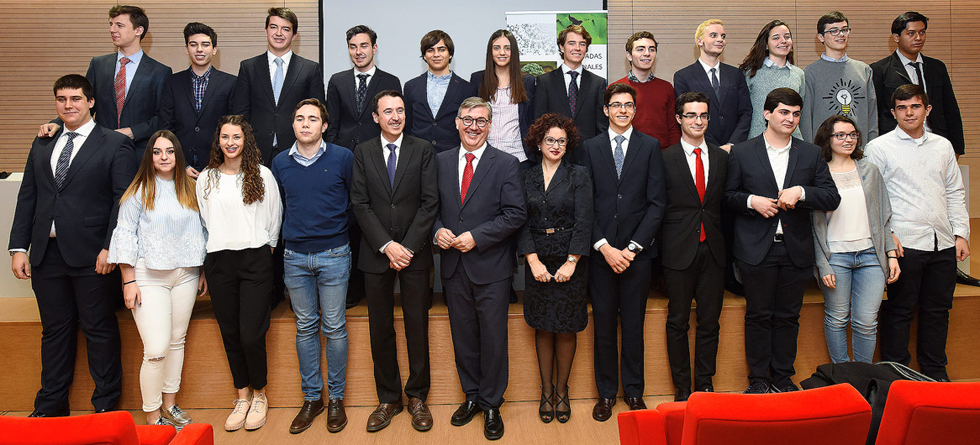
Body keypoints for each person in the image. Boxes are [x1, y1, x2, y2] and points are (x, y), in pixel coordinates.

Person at [9, 74, 137, 417]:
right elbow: (28, 196)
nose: (68, 105)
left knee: (99, 331)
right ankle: (50, 406)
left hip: (94, 255)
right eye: (62, 99)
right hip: (46, 255)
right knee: (54, 332)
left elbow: (123, 202)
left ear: (91, 102)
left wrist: (111, 247)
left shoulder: (114, 143)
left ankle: (105, 407)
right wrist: (18, 247)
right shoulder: (43, 142)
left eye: (76, 98)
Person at [724, 88, 840, 394]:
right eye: (784, 112)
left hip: (796, 249)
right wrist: (751, 201)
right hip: (755, 249)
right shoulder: (742, 152)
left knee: (789, 317)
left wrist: (801, 193)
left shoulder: (810, 153)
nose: (790, 118)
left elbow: (831, 197)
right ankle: (759, 380)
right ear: (767, 114)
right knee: (758, 316)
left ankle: (782, 378)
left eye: (796, 113)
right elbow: (727, 196)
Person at [433, 97, 526, 440]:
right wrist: (436, 230)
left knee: (493, 338)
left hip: (491, 267)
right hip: (453, 266)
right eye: (468, 120)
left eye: (481, 121)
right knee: (464, 337)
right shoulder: (440, 161)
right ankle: (471, 395)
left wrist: (477, 236)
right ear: (457, 123)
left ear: (490, 125)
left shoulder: (506, 163)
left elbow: (515, 214)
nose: (474, 127)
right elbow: (431, 207)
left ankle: (491, 404)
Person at [865, 84, 970, 381]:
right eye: (902, 107)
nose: (909, 113)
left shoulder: (943, 146)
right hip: (903, 243)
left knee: (938, 310)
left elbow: (954, 191)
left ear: (927, 109)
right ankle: (898, 376)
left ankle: (935, 373)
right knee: (900, 311)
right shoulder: (879, 148)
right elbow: (872, 199)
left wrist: (961, 234)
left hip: (943, 241)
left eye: (915, 106)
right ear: (893, 112)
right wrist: (888, 236)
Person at [351, 90, 439, 433]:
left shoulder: (423, 149)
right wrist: (387, 246)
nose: (395, 116)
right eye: (388, 111)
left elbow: (430, 203)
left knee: (417, 325)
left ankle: (417, 397)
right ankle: (388, 398)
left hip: (414, 254)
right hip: (376, 254)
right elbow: (360, 204)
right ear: (376, 117)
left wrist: (407, 247)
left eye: (400, 110)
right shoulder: (363, 152)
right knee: (381, 328)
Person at [107, 130, 207, 427]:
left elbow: (202, 231)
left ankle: (170, 405)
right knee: (156, 349)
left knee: (176, 341)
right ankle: (152, 415)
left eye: (170, 151)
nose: (164, 157)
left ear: (178, 155)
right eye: (157, 152)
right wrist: (128, 280)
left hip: (186, 275)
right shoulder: (137, 192)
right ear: (149, 157)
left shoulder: (192, 188)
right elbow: (124, 235)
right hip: (148, 277)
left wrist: (202, 271)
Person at [579, 83, 665, 421]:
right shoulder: (589, 147)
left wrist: (631, 249)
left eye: (628, 105)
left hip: (636, 256)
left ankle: (633, 391)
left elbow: (657, 204)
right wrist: (603, 247)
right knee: (603, 327)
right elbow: (584, 203)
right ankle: (605, 394)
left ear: (635, 110)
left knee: (633, 326)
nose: (622, 110)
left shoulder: (650, 146)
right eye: (616, 105)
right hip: (601, 255)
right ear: (606, 110)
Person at [272, 99, 353, 434]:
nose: (305, 124)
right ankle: (312, 398)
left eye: (313, 119)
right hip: (295, 257)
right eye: (299, 118)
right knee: (305, 328)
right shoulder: (280, 162)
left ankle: (336, 399)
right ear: (292, 124)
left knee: (334, 327)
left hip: (334, 254)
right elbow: (277, 207)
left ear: (324, 125)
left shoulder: (342, 158)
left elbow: (354, 201)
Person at [196, 115, 281, 431]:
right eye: (225, 137)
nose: (230, 143)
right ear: (218, 141)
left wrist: (263, 251)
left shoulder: (262, 174)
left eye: (236, 137)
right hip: (219, 261)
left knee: (251, 334)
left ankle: (260, 394)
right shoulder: (206, 178)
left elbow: (273, 219)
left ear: (246, 140)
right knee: (230, 332)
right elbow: (204, 222)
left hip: (255, 259)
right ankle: (242, 395)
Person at [518, 113, 592, 424]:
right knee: (543, 326)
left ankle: (562, 392)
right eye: (550, 140)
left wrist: (572, 261)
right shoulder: (525, 176)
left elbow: (585, 220)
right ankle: (545, 391)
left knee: (566, 327)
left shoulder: (579, 175)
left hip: (569, 261)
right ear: (538, 142)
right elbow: (519, 220)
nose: (556, 145)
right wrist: (532, 260)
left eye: (562, 141)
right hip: (537, 259)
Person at [811, 115, 899, 364]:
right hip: (835, 258)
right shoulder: (818, 174)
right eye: (840, 135)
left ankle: (862, 375)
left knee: (867, 322)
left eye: (852, 134)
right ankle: (842, 374)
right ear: (828, 139)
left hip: (871, 256)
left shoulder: (870, 171)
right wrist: (822, 264)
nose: (848, 140)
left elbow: (883, 217)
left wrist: (891, 255)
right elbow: (813, 226)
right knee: (837, 318)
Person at [662, 92, 727, 402]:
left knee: (710, 322)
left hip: (713, 250)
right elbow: (658, 206)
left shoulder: (722, 158)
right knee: (677, 321)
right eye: (691, 115)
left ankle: (704, 383)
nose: (698, 121)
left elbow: (725, 205)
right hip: (677, 250)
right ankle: (682, 387)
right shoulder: (664, 158)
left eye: (703, 115)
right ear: (679, 118)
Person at [40, 6, 171, 154]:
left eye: (119, 25)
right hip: (101, 148)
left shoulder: (160, 72)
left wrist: (132, 132)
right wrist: (57, 123)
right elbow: (83, 103)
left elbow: (163, 117)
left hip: (140, 151)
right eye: (111, 24)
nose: (112, 30)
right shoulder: (98, 65)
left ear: (138, 30)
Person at [232, 7, 325, 165]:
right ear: (266, 31)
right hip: (255, 150)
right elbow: (240, 113)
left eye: (286, 29)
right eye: (273, 27)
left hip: (297, 150)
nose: (279, 33)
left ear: (294, 35)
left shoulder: (310, 69)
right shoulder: (248, 67)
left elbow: (317, 114)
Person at [871, 12, 965, 157]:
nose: (918, 38)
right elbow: (875, 114)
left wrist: (956, 149)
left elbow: (950, 109)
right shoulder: (879, 70)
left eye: (922, 32)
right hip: (896, 147)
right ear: (896, 37)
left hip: (935, 143)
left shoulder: (937, 67)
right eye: (911, 33)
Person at [158, 22, 237, 177]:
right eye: (193, 45)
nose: (199, 49)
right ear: (186, 49)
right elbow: (165, 127)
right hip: (180, 165)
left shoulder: (231, 83)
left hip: (218, 165)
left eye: (205, 45)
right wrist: (181, 164)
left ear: (214, 49)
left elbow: (234, 128)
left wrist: (217, 164)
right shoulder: (172, 82)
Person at [673, 19, 751, 152]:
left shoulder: (736, 74)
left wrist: (732, 144)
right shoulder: (683, 76)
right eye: (713, 35)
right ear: (699, 41)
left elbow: (746, 112)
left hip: (734, 149)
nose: (720, 40)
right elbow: (685, 116)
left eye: (723, 36)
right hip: (702, 148)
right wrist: (714, 148)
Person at [800, 12, 878, 143]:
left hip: (859, 147)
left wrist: (872, 146)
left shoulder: (864, 70)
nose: (841, 34)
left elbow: (872, 115)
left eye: (844, 30)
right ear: (821, 37)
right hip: (824, 149)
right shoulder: (810, 73)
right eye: (834, 31)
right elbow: (806, 120)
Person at [325, 25, 402, 152]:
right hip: (344, 151)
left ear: (374, 48)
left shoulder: (390, 81)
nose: (358, 52)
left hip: (378, 152)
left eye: (364, 46)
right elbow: (332, 122)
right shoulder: (337, 81)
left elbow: (395, 121)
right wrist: (332, 151)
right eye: (353, 47)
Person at [470, 29, 537, 167]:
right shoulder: (478, 79)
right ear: (490, 52)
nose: (502, 52)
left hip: (519, 158)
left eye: (507, 48)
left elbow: (532, 119)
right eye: (496, 48)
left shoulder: (527, 81)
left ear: (514, 52)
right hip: (484, 157)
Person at [533, 25, 608, 144]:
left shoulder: (598, 83)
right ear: (561, 47)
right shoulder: (545, 82)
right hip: (555, 150)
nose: (577, 48)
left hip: (588, 151)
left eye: (582, 44)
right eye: (572, 43)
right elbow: (539, 123)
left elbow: (602, 126)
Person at [404, 30, 476, 153]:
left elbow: (469, 127)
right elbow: (408, 124)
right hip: (418, 155)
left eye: (441, 49)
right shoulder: (411, 86)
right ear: (424, 55)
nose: (436, 54)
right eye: (430, 50)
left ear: (450, 54)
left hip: (453, 155)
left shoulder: (467, 88)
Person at [740, 20, 806, 140]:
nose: (783, 41)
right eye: (776, 38)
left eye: (787, 37)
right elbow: (742, 112)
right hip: (757, 140)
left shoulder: (799, 74)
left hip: (792, 140)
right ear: (766, 45)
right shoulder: (750, 73)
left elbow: (801, 111)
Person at [613, 31, 679, 148]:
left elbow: (673, 127)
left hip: (661, 153)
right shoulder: (616, 89)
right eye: (640, 49)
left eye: (652, 49)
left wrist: (673, 153)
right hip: (627, 153)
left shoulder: (666, 88)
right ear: (629, 55)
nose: (647, 53)